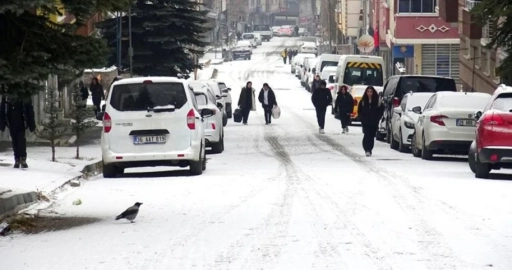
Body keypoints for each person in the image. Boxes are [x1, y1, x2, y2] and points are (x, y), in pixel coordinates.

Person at [0, 96, 36, 168]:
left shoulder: (24, 95)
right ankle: (17, 159)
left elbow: (30, 110)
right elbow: (2, 110)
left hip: (21, 123)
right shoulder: (7, 96)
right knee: (15, 141)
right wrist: (2, 124)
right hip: (11, 123)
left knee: (21, 141)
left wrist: (32, 125)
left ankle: (22, 158)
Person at [357, 86, 384, 157]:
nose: (369, 93)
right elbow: (359, 110)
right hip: (365, 122)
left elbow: (381, 110)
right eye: (368, 92)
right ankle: (367, 149)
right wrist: (362, 118)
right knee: (366, 135)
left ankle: (370, 149)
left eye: (371, 92)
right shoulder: (363, 101)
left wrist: (378, 117)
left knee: (371, 136)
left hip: (374, 122)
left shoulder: (377, 101)